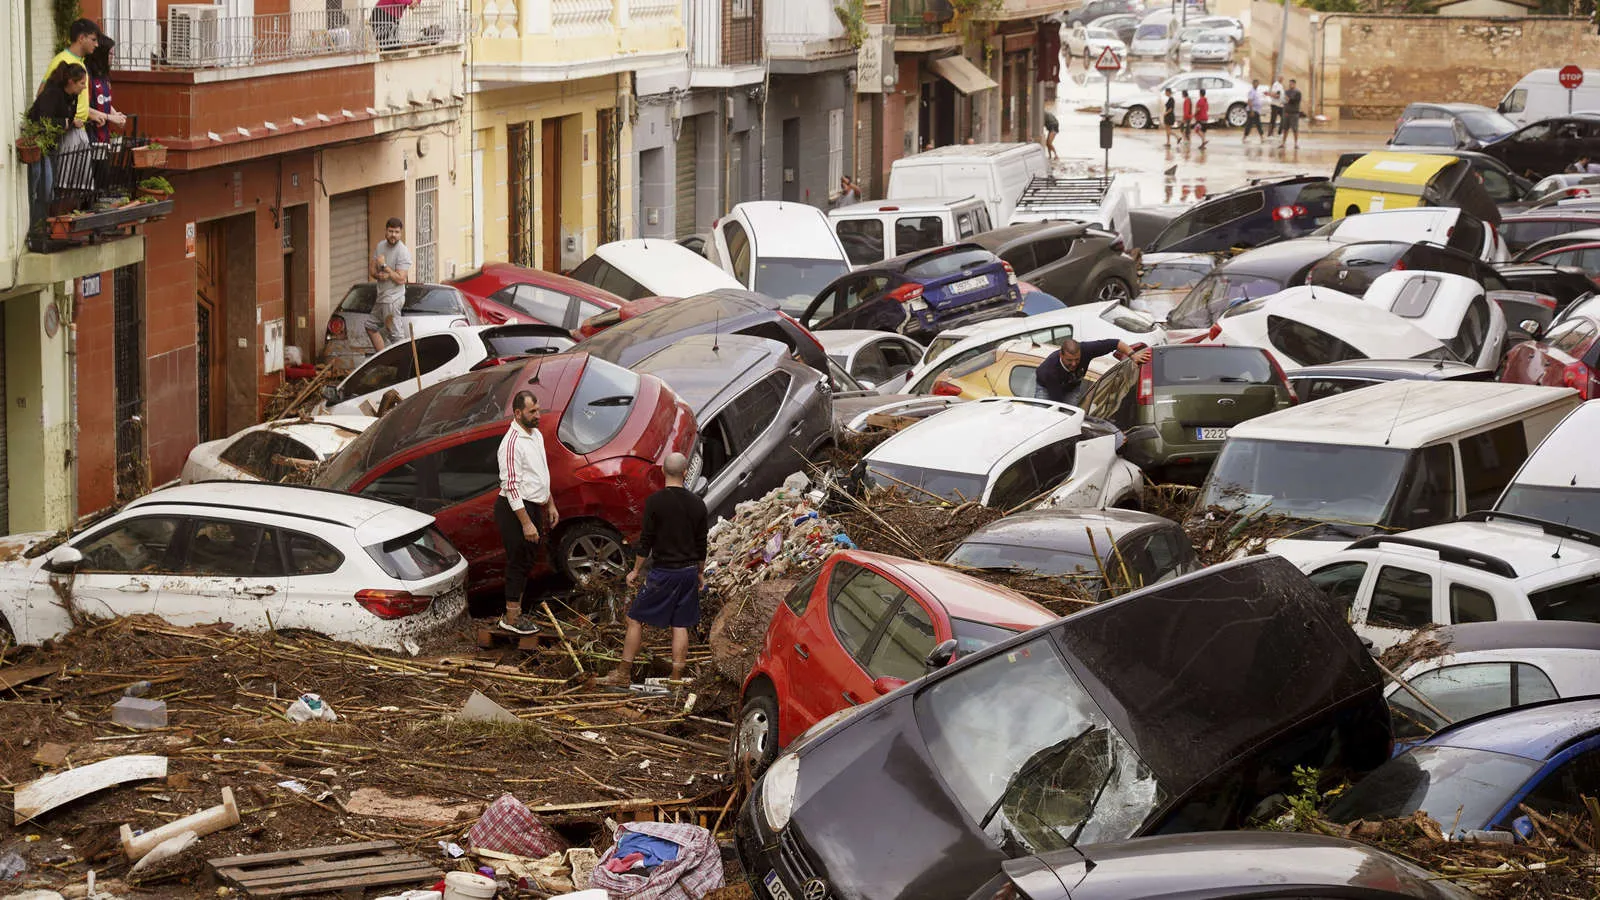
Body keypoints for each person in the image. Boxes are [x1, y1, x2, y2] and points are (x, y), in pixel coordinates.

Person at [599, 452, 709, 687]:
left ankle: (623, 673)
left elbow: (645, 542)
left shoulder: (655, 502)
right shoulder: (698, 504)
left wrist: (635, 571)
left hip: (664, 573)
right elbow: (701, 544)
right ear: (685, 472)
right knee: (680, 625)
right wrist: (699, 572)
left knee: (634, 618)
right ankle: (676, 679)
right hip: (688, 572)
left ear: (662, 472)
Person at [494, 391, 560, 635]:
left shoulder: (536, 435)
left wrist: (550, 503)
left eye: (538, 410)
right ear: (518, 413)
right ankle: (511, 618)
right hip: (515, 509)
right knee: (518, 561)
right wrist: (526, 523)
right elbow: (511, 486)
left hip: (533, 505)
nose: (538, 415)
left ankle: (517, 611)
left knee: (529, 559)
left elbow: (541, 473)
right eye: (533, 412)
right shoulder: (511, 444)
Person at [26, 62, 88, 225]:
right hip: (39, 142)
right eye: (82, 83)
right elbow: (42, 120)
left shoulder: (73, 97)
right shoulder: (52, 94)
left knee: (49, 188)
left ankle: (42, 223)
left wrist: (70, 122)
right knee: (42, 183)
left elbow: (67, 117)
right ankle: (35, 224)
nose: (84, 87)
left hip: (53, 144)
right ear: (71, 82)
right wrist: (66, 123)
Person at [1035, 338, 1153, 406]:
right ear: (1061, 355)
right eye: (1069, 360)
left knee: (1070, 416)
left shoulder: (1087, 349)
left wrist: (1133, 355)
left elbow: (1116, 343)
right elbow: (1057, 404)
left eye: (1077, 359)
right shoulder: (1050, 371)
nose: (1074, 364)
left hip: (1072, 385)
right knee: (1047, 416)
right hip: (1046, 387)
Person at [40, 20, 100, 130]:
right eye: (93, 39)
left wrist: (95, 114)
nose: (96, 44)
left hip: (80, 129)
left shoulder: (81, 61)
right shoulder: (61, 61)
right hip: (67, 131)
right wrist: (63, 123)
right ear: (81, 38)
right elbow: (42, 95)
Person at [366, 217, 412, 351]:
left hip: (393, 299)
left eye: (397, 232)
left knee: (396, 337)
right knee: (370, 326)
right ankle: (382, 360)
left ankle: (403, 367)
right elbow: (372, 270)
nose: (393, 235)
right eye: (391, 231)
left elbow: (401, 279)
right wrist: (378, 275)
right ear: (386, 231)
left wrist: (385, 267)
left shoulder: (402, 251)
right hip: (382, 297)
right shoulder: (380, 246)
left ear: (401, 233)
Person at [84, 36, 128, 146]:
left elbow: (104, 100)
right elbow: (84, 108)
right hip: (90, 136)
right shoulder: (86, 76)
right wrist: (111, 117)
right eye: (110, 54)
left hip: (104, 136)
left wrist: (116, 115)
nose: (112, 57)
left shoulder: (104, 76)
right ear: (100, 55)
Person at [1279, 79, 1303, 149]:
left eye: (1292, 84)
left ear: (1295, 84)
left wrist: (1288, 99)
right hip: (1287, 112)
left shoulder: (1298, 92)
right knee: (1285, 129)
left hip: (1294, 113)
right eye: (1289, 84)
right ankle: (1283, 143)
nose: (1290, 85)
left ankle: (1296, 144)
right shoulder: (1286, 92)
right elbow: (1284, 101)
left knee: (1295, 129)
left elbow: (1296, 101)